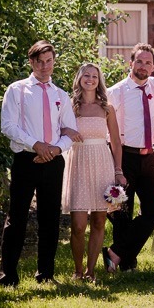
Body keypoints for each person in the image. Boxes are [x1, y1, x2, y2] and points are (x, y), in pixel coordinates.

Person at [0, 40, 76, 286]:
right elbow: (8, 126)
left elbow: (71, 131)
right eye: (39, 62)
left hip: (53, 162)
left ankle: (46, 274)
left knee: (50, 218)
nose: (44, 66)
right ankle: (8, 276)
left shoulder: (61, 95)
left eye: (49, 61)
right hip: (25, 159)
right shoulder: (17, 90)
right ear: (31, 62)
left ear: (54, 62)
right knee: (17, 218)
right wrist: (36, 145)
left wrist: (54, 149)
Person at [103, 43, 154, 273]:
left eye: (148, 62)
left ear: (153, 67)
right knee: (122, 212)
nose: (143, 66)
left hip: (149, 158)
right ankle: (127, 264)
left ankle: (115, 253)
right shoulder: (116, 92)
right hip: (124, 157)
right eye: (139, 61)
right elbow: (104, 125)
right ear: (131, 63)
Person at [61, 63, 125, 282]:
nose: (90, 79)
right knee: (78, 225)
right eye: (86, 75)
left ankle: (90, 272)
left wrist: (118, 171)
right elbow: (58, 131)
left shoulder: (107, 107)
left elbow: (116, 142)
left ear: (99, 81)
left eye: (94, 76)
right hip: (78, 162)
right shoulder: (70, 106)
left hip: (102, 163)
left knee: (99, 221)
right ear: (79, 78)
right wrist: (67, 131)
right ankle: (77, 271)